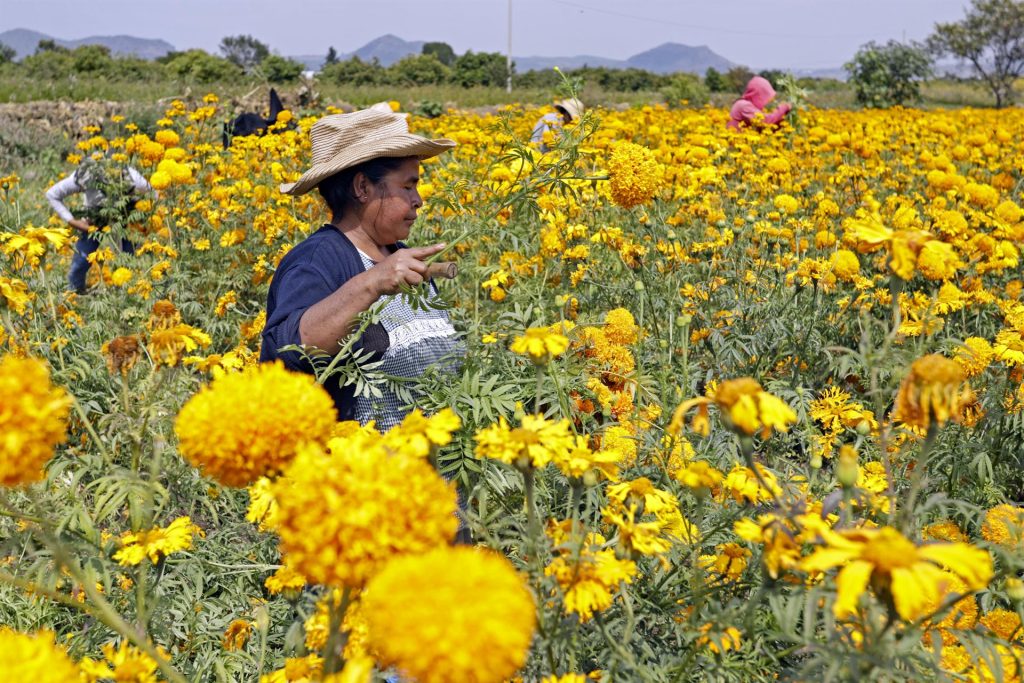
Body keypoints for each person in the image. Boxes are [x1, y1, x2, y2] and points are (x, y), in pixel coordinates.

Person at [260, 107, 461, 430]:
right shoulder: (317, 261)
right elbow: (290, 349)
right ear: (363, 187)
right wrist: (372, 283)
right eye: (408, 186)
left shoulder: (402, 257)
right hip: (362, 473)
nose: (419, 199)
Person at [45, 158, 152, 293]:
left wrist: (142, 217)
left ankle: (125, 294)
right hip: (93, 219)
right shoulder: (83, 176)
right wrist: (72, 221)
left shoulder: (132, 176)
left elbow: (153, 194)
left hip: (124, 216)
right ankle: (74, 294)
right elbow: (52, 194)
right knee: (81, 262)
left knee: (127, 260)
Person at [727, 76, 792, 131]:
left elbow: (761, 127)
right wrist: (784, 107)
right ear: (759, 95)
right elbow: (766, 121)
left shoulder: (744, 103)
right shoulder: (744, 106)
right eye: (765, 97)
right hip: (736, 143)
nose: (765, 102)